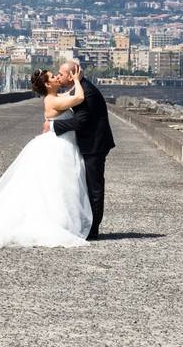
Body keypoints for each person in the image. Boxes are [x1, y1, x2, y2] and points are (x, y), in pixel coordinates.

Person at [0, 67, 92, 248]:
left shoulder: (54, 98)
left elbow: (69, 96)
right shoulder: (52, 100)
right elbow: (78, 98)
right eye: (53, 77)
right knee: (57, 187)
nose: (56, 78)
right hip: (58, 147)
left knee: (55, 187)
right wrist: (78, 80)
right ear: (47, 84)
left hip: (60, 145)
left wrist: (72, 84)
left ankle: (62, 221)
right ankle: (57, 223)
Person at [43, 60, 115, 240]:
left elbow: (80, 121)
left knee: (94, 186)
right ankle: (87, 224)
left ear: (71, 75)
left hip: (94, 145)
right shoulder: (79, 88)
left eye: (61, 73)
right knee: (87, 185)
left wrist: (52, 126)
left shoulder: (86, 91)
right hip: (90, 143)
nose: (58, 76)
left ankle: (93, 229)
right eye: (56, 74)